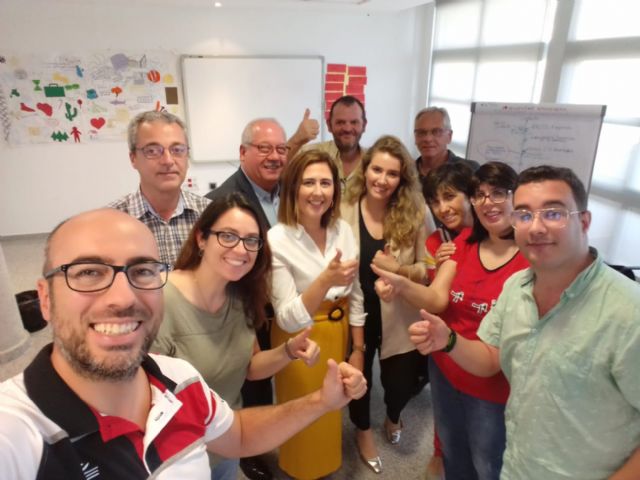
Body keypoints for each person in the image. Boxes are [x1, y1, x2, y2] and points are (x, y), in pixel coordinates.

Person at [0, 208, 367, 479]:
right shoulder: (16, 436)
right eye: (89, 272)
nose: (122, 297)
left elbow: (237, 434)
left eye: (142, 271)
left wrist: (322, 400)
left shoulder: (181, 379)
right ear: (44, 299)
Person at [409, 165, 640, 480]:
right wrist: (447, 339)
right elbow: (490, 358)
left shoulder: (629, 312)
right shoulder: (517, 287)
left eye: (554, 213)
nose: (536, 227)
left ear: (584, 222)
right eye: (524, 215)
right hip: (518, 464)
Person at [373, 162, 529, 480]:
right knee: (453, 451)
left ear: (517, 198)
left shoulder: (531, 257)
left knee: (488, 461)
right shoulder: (463, 241)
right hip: (445, 367)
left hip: (492, 385)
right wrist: (401, 285)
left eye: (498, 193)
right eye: (480, 195)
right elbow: (436, 298)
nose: (487, 202)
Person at [152, 193, 320, 480]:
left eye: (251, 240)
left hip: (227, 442)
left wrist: (289, 350)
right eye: (228, 236)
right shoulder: (161, 301)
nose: (241, 249)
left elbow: (250, 368)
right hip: (178, 459)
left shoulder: (242, 295)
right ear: (201, 239)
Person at [268, 149, 366, 479]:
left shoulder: (343, 230)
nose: (318, 191)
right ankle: (298, 470)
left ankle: (326, 465)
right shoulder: (278, 238)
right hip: (300, 339)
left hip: (339, 332)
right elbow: (287, 318)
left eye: (326, 183)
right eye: (308, 182)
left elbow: (356, 293)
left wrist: (358, 348)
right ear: (293, 188)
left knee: (331, 408)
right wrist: (325, 280)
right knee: (302, 410)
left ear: (335, 190)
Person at [205, 118, 289, 480]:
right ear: (243, 152)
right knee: (251, 379)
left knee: (283, 367)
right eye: (264, 148)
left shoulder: (290, 190)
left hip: (284, 302)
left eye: (281, 149)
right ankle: (249, 450)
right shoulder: (224, 200)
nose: (274, 156)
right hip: (246, 306)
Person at [341, 135, 428, 474]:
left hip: (399, 312)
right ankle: (362, 429)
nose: (382, 179)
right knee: (358, 375)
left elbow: (428, 267)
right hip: (354, 313)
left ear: (402, 178)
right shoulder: (343, 207)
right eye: (377, 170)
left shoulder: (416, 211)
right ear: (365, 170)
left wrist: (400, 272)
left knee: (400, 382)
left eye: (392, 173)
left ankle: (393, 416)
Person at [420, 160, 475, 478]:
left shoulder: (491, 236)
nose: (443, 208)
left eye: (450, 196)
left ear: (470, 195)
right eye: (435, 201)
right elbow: (434, 294)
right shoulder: (435, 241)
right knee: (444, 408)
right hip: (444, 339)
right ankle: (440, 453)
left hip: (479, 340)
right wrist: (437, 267)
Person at [109, 110, 210, 265]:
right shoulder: (111, 222)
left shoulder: (211, 215)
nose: (168, 161)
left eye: (177, 150)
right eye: (153, 151)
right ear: (133, 158)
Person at [287, 96, 368, 191]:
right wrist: (296, 140)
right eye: (340, 122)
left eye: (354, 122)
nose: (347, 128)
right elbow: (277, 171)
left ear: (364, 125)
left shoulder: (373, 160)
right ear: (329, 125)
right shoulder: (310, 153)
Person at [413, 107, 478, 181]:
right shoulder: (406, 173)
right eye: (421, 132)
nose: (428, 139)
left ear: (449, 136)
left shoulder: (469, 171)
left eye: (436, 132)